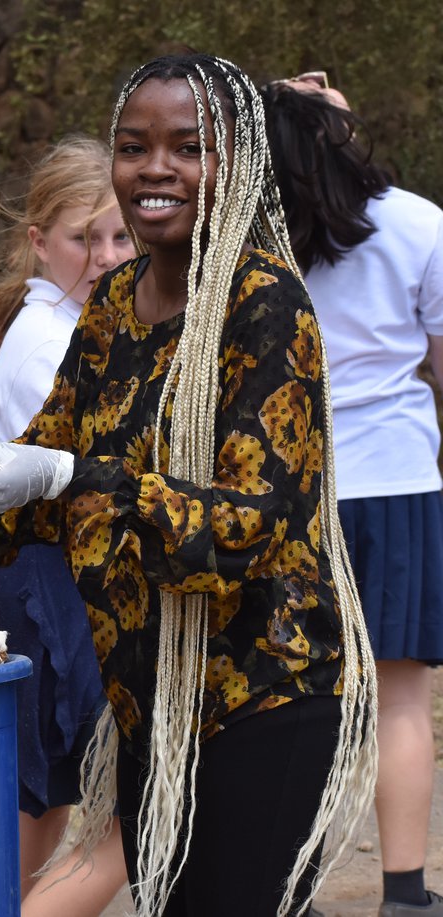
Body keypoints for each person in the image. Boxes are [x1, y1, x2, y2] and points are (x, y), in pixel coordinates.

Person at [0, 53, 378, 917]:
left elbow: (252, 527)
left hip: (264, 690)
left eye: (188, 147)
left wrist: (74, 476)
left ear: (235, 162)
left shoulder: (266, 304)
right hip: (147, 703)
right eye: (134, 148)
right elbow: (39, 470)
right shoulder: (114, 303)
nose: (156, 168)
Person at [262, 75, 443, 917]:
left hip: (287, 491)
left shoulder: (254, 235)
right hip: (400, 486)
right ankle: (404, 894)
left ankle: (286, 886)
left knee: (293, 700)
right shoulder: (417, 223)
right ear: (340, 131)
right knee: (401, 696)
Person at [0, 136, 131, 915]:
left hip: (46, 576)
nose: (104, 255)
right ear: (37, 243)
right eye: (81, 237)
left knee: (43, 801)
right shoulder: (45, 345)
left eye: (119, 235)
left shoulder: (90, 322)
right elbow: (99, 484)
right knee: (132, 808)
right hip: (38, 581)